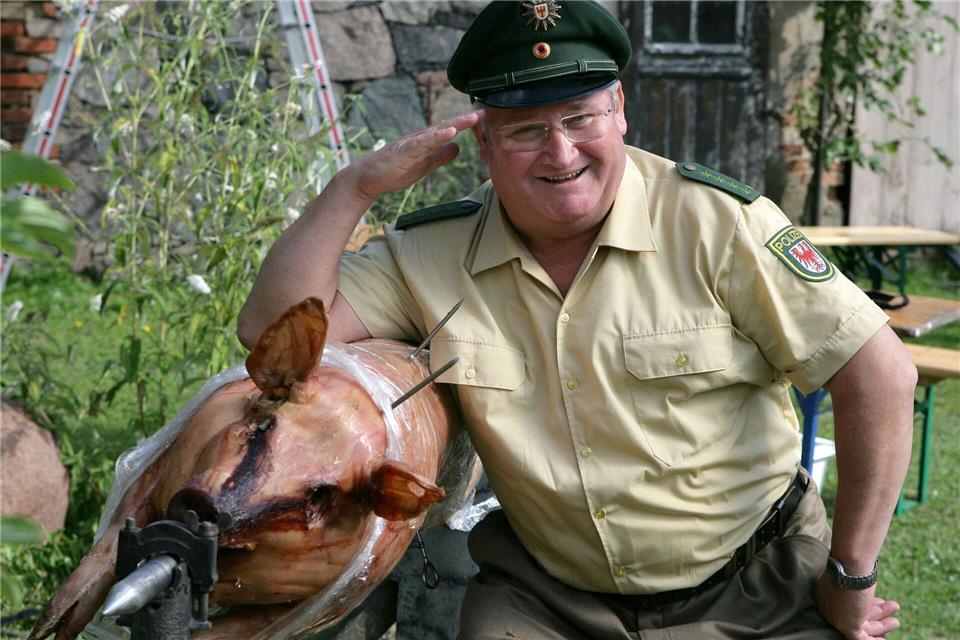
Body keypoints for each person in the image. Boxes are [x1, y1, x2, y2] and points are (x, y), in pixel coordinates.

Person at [238, 2, 917, 638]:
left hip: (757, 584)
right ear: (484, 141)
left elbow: (879, 375)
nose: (561, 154)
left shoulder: (718, 225)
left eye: (580, 118)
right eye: (526, 130)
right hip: (548, 599)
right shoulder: (431, 253)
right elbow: (270, 332)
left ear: (619, 110)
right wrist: (354, 188)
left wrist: (850, 574)